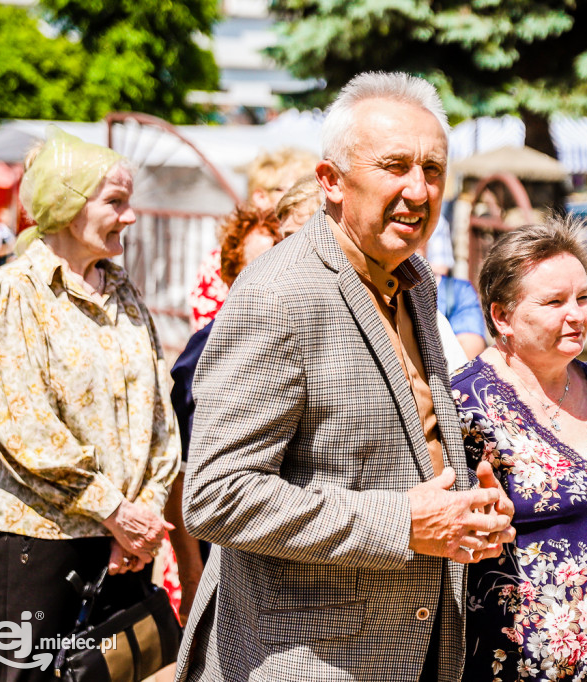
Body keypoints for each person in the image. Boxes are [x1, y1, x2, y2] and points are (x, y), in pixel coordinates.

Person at [175, 71, 516, 682]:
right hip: (307, 659)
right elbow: (216, 494)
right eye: (394, 165)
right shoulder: (279, 293)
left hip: (415, 646)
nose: (418, 189)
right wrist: (404, 523)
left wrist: (466, 495)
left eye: (433, 169)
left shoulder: (411, 282)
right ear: (330, 181)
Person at [0, 126, 180, 680]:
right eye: (115, 202)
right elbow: (20, 421)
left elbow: (160, 414)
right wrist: (114, 512)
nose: (130, 217)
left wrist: (144, 514)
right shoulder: (16, 291)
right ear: (65, 206)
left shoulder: (125, 293)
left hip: (125, 540)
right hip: (44, 541)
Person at [452, 217, 587, 681]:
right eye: (553, 302)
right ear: (501, 316)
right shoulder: (465, 408)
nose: (577, 314)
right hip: (523, 667)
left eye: (583, 297)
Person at [166, 205, 289, 623]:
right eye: (257, 266)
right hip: (221, 567)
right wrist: (191, 572)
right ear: (232, 276)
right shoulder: (201, 354)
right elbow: (180, 473)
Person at [189, 147, 318, 331]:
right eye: (295, 190)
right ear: (260, 197)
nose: (308, 197)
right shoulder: (218, 263)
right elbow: (208, 340)